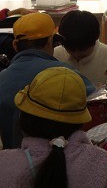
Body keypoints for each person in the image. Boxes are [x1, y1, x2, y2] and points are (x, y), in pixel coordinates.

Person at [0, 12, 95, 149]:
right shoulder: (64, 74)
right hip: (61, 159)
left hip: (11, 159)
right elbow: (96, 102)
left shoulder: (2, 77)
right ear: (50, 41)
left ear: (15, 46)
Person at [53, 10, 107, 86]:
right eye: (71, 50)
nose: (77, 55)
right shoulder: (54, 56)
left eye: (82, 52)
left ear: (95, 38)